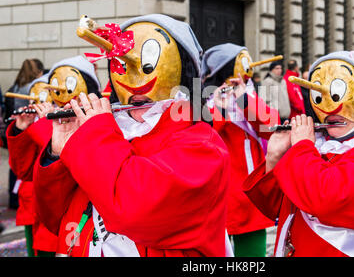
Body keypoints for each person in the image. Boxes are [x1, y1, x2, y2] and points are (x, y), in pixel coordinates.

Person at [33, 14, 231, 257]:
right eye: (123, 67)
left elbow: (137, 212)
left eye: (148, 65)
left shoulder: (203, 145)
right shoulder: (107, 130)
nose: (135, 81)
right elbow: (54, 216)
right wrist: (59, 154)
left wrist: (96, 136)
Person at [243, 51, 354, 257]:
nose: (330, 107)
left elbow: (323, 197)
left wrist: (302, 146)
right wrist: (274, 158)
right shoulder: (320, 147)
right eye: (319, 97)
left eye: (337, 94)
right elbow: (277, 208)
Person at [6, 57, 101, 257]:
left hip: (77, 222)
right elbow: (23, 171)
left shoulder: (94, 118)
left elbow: (75, 161)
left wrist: (44, 128)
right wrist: (21, 129)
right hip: (42, 215)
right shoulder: (50, 118)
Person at [202, 43, 279, 257]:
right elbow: (203, 135)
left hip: (248, 194)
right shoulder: (203, 99)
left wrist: (244, 99)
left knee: (252, 257)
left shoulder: (250, 96)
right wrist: (219, 107)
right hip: (217, 194)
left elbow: (270, 126)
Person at [4, 59, 44, 210]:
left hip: (17, 128)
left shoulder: (15, 86)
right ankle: (16, 197)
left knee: (15, 166)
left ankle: (13, 197)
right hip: (26, 129)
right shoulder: (34, 89)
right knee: (23, 167)